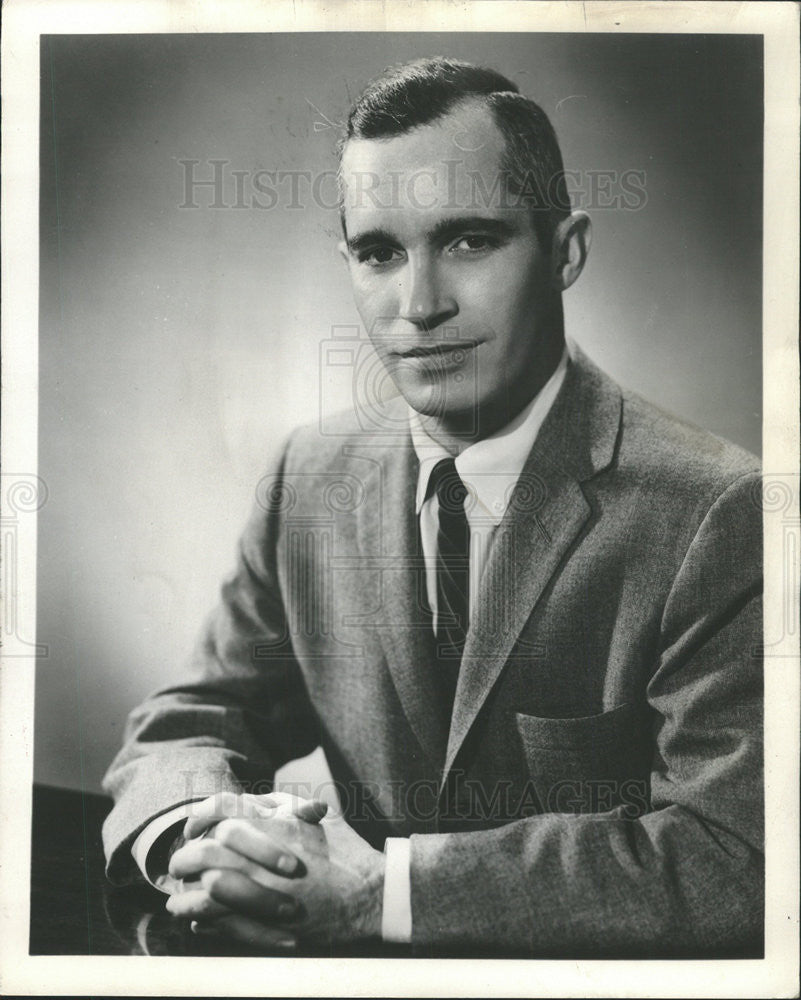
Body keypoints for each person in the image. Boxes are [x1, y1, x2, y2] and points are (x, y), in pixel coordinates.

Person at [102, 57, 763, 956]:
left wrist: (385, 893)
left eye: (468, 241)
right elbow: (190, 723)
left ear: (564, 250)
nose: (417, 306)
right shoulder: (310, 474)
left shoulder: (721, 512)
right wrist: (201, 842)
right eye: (378, 252)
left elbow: (737, 855)